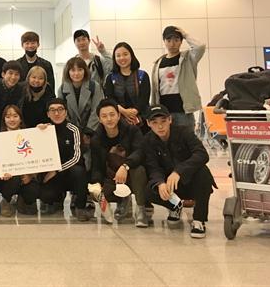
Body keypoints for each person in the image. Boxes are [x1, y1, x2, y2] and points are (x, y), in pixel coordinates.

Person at [144, 105, 215, 238]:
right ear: (148, 123)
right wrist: (160, 183)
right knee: (148, 190)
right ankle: (175, 206)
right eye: (155, 123)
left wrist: (179, 171)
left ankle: (199, 220)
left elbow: (202, 154)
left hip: (191, 182)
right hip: (170, 186)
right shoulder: (148, 140)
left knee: (203, 172)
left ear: (170, 120)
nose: (160, 126)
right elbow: (153, 166)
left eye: (163, 121)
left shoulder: (184, 132)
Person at [90, 99, 149, 227]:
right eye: (104, 116)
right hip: (111, 177)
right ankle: (122, 199)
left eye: (112, 114)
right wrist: (97, 184)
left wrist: (125, 166)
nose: (109, 119)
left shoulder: (132, 130)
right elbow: (97, 166)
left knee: (139, 170)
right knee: (95, 191)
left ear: (118, 115)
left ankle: (141, 209)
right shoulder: (96, 139)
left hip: (130, 173)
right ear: (99, 119)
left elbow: (140, 152)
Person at [37, 98, 90, 221]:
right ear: (48, 114)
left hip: (70, 171)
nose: (56, 113)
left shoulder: (74, 130)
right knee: (46, 195)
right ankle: (57, 199)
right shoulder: (44, 130)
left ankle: (79, 206)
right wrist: (37, 132)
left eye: (60, 109)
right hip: (53, 175)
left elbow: (76, 158)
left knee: (79, 171)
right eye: (52, 110)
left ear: (66, 112)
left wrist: (56, 170)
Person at [151, 26, 206, 130]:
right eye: (169, 40)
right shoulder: (158, 63)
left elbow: (200, 47)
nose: (172, 44)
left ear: (181, 42)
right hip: (164, 113)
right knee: (166, 140)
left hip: (183, 112)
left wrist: (185, 35)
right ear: (164, 41)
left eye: (176, 40)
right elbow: (155, 90)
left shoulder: (188, 58)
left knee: (186, 139)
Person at [0, 105, 39, 216]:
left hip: (27, 176)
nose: (12, 120)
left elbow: (37, 159)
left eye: (15, 116)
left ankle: (23, 199)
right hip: (8, 179)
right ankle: (6, 200)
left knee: (33, 190)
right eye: (8, 117)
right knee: (13, 180)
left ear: (20, 119)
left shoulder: (30, 136)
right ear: (4, 120)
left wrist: (31, 175)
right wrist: (1, 170)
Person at [104, 42, 150, 130]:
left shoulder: (142, 75)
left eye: (125, 54)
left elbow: (144, 98)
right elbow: (110, 99)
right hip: (118, 121)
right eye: (118, 55)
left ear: (131, 55)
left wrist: (134, 112)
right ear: (114, 58)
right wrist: (124, 112)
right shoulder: (110, 78)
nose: (122, 58)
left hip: (141, 120)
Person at [58, 57, 103, 135]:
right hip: (70, 131)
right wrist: (72, 130)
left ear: (85, 71)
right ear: (68, 72)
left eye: (80, 70)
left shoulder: (94, 86)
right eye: (73, 70)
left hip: (92, 130)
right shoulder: (62, 89)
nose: (76, 73)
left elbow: (97, 109)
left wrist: (89, 131)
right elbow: (61, 112)